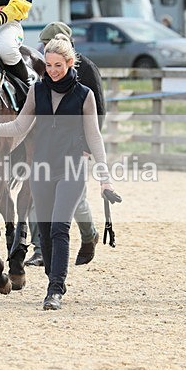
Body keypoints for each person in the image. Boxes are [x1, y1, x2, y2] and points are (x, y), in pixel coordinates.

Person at [0, 34, 116, 310]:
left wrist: (104, 179)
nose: (53, 71)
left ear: (70, 63)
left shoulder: (84, 95)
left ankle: (55, 289)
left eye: (59, 65)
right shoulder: (38, 91)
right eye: (49, 65)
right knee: (44, 231)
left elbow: (94, 138)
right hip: (41, 168)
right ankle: (54, 278)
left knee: (59, 228)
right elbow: (19, 127)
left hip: (71, 168)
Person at [25, 21, 106, 267]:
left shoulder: (87, 69)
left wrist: (86, 147)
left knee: (76, 200)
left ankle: (89, 233)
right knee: (36, 199)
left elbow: (98, 112)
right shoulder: (44, 68)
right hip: (47, 147)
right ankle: (40, 249)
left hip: (75, 148)